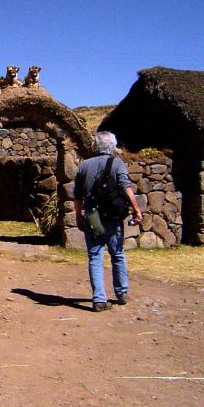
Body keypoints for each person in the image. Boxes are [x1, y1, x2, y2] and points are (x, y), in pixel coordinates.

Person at [73, 131, 143, 312]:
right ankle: (121, 292)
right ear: (113, 146)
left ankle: (99, 299)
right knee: (117, 255)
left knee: (95, 257)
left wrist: (78, 216)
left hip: (92, 217)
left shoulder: (84, 166)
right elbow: (126, 187)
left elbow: (77, 196)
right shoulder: (117, 163)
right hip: (112, 216)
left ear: (96, 145)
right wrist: (136, 209)